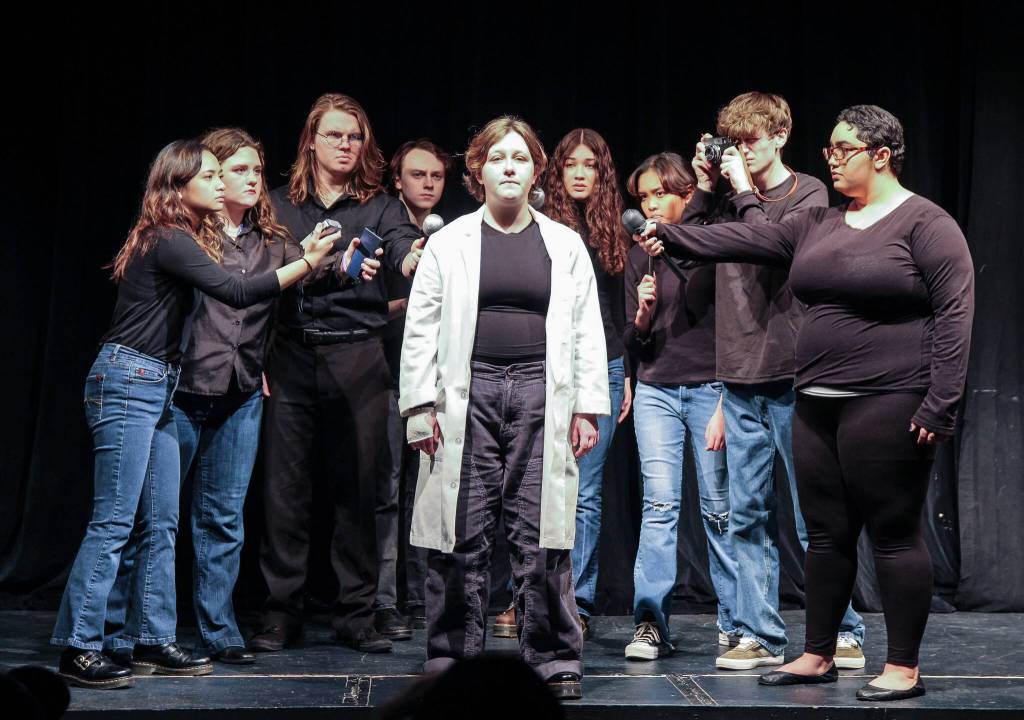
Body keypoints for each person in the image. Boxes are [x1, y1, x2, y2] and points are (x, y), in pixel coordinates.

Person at [637, 104, 974, 701]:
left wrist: (940, 402)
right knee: (824, 536)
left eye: (844, 149)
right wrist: (669, 230)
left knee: (894, 534)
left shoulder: (926, 223)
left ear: (881, 155)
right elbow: (742, 235)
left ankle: (902, 667)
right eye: (830, 149)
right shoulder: (819, 223)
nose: (833, 159)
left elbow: (955, 315)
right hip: (815, 401)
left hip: (888, 398)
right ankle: (816, 652)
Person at [51, 139, 338, 689]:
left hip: (159, 382)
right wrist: (306, 260)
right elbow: (235, 291)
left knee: (160, 520)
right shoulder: (169, 238)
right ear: (179, 185)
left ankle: (150, 638)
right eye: (208, 175)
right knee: (114, 520)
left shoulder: (184, 238)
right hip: (128, 379)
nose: (219, 184)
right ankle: (80, 645)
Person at [399, 116, 609, 700]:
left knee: (539, 529)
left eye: (521, 158)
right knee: (458, 528)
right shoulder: (449, 242)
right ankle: (450, 653)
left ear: (537, 170)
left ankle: (552, 655)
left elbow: (587, 331)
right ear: (479, 171)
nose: (510, 167)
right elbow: (420, 329)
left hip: (543, 391)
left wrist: (587, 408)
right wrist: (419, 406)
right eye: (498, 158)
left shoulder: (563, 244)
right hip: (468, 392)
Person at [679, 92, 866, 671]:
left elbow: (772, 249)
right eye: (733, 142)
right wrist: (707, 188)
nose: (742, 151)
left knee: (814, 513)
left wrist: (739, 192)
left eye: (751, 141)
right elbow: (683, 253)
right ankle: (760, 634)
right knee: (747, 513)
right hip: (737, 375)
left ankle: (844, 630)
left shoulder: (806, 193)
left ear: (780, 136)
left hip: (794, 375)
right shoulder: (725, 198)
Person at [250, 93, 422, 655]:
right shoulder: (278, 205)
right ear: (311, 142)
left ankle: (356, 613)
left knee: (361, 489)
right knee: (284, 492)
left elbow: (400, 247)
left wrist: (410, 258)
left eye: (355, 137)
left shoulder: (380, 207)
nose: (346, 145)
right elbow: (261, 280)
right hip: (291, 355)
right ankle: (280, 613)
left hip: (357, 355)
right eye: (335, 135)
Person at [621, 153, 738, 660]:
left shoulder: (710, 245)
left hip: (710, 388)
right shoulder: (637, 256)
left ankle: (738, 624)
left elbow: (733, 327)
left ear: (686, 194)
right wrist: (644, 317)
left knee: (719, 509)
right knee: (660, 505)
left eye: (659, 193)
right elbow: (634, 339)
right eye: (643, 196)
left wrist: (727, 400)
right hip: (656, 390)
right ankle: (651, 622)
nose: (650, 204)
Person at [535, 128, 631, 639]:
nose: (578, 172)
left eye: (589, 164)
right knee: (539, 485)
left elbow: (617, 311)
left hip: (606, 366)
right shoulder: (540, 226)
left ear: (601, 173)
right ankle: (532, 595)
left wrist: (627, 372)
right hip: (547, 367)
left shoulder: (610, 227)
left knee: (588, 493)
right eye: (570, 163)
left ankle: (580, 603)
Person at [375, 139, 451, 638]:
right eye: (417, 175)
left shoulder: (451, 235)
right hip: (381, 371)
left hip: (433, 376)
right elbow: (363, 305)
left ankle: (423, 599)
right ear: (397, 180)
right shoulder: (386, 224)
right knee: (387, 489)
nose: (427, 184)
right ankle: (383, 601)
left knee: (427, 487)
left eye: (436, 176)